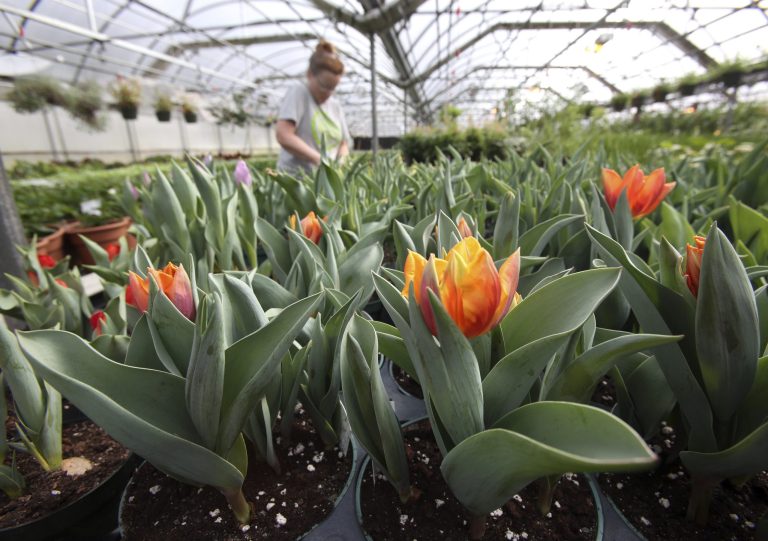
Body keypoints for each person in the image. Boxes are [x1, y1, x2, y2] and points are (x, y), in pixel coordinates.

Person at [275, 40, 350, 174]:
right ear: (310, 74)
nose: (328, 93)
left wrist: (340, 163)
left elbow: (343, 143)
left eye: (332, 88)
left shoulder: (335, 106)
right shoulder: (299, 93)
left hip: (326, 180)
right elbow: (284, 135)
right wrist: (320, 160)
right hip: (298, 181)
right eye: (324, 85)